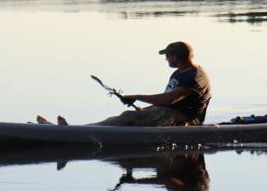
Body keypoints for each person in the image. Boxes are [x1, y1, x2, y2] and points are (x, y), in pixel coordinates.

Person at [36, 41, 212, 127]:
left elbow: (169, 100)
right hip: (169, 113)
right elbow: (167, 102)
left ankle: (72, 132)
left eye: (167, 56)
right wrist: (146, 109)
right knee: (125, 116)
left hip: (183, 120)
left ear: (176, 57)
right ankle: (75, 130)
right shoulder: (179, 72)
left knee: (128, 117)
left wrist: (137, 97)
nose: (166, 59)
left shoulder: (194, 77)